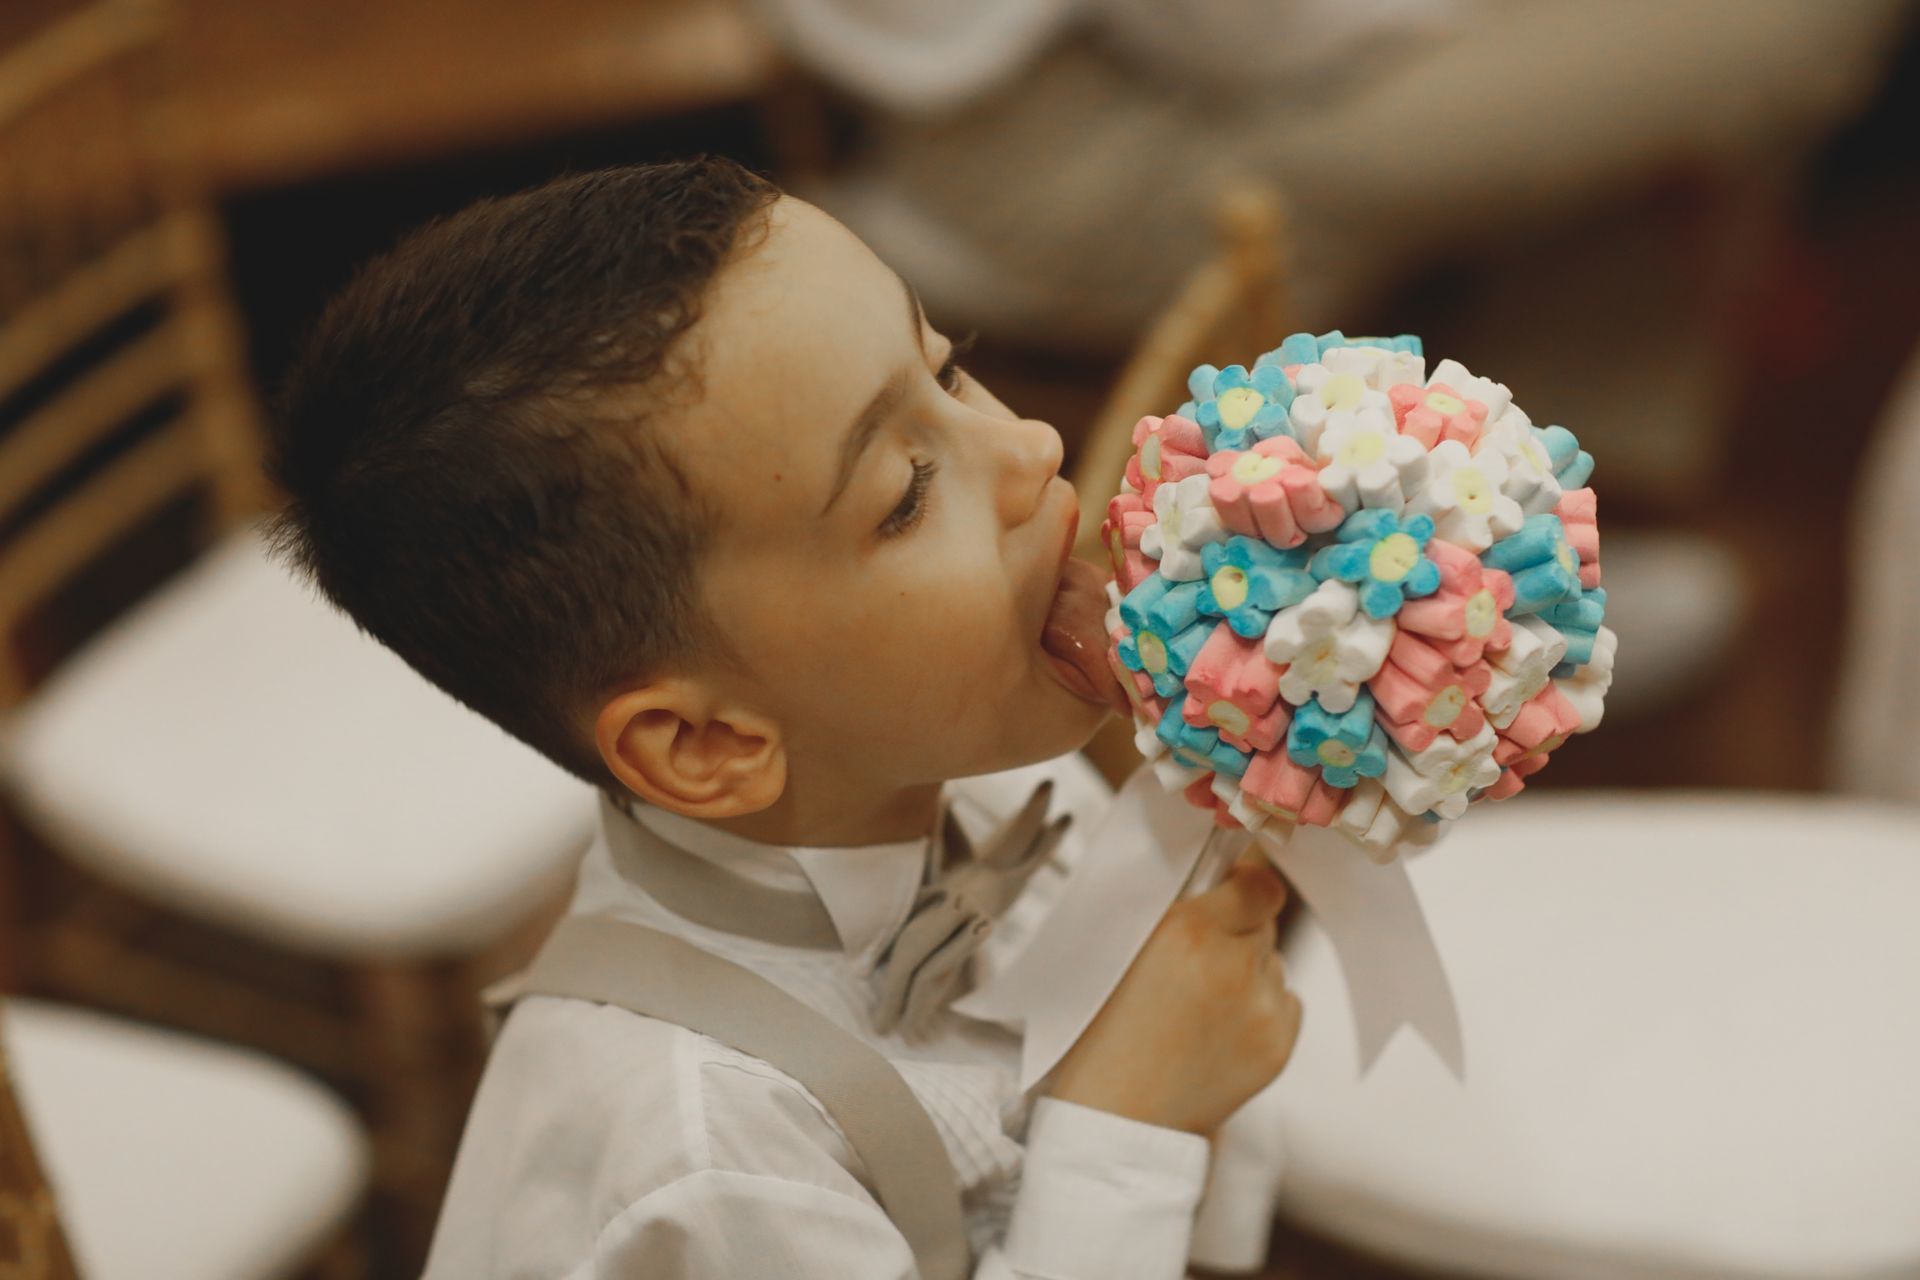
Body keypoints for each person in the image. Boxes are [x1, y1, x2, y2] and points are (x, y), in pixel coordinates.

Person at [270, 158, 1303, 1278]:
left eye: (948, 371)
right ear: (708, 743)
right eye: (906, 490)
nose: (1032, 449)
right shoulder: (702, 1158)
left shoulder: (994, 780)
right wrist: (1125, 1129)